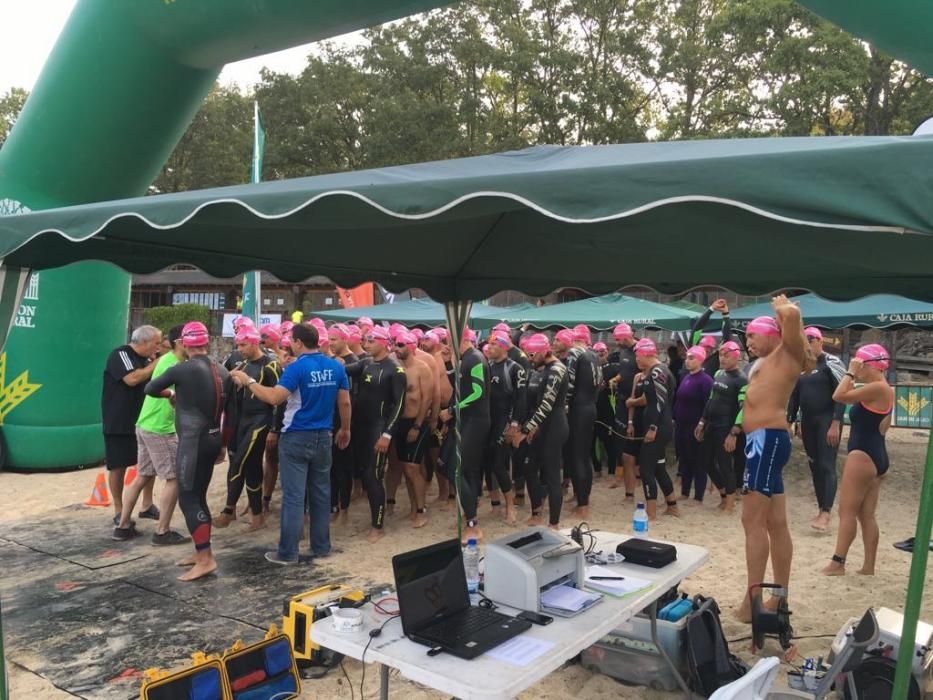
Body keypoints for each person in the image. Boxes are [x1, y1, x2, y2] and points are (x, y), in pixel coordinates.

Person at [230, 323, 350, 565]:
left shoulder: (297, 368)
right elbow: (345, 402)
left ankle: (287, 552)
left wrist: (249, 381)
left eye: (292, 342)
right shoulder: (335, 366)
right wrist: (345, 428)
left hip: (296, 435)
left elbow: (275, 398)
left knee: (294, 497)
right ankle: (321, 547)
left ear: (298, 342)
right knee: (321, 493)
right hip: (324, 435)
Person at [737, 299, 812, 622]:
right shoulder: (768, 362)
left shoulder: (787, 354)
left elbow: (794, 323)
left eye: (753, 335)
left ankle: (752, 600)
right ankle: (777, 597)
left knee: (751, 521)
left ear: (773, 334)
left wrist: (786, 309)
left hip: (766, 442)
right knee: (775, 523)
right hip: (762, 443)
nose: (748, 342)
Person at [145, 322, 231, 581]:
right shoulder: (224, 371)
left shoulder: (181, 370)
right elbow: (232, 415)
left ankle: (205, 559)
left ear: (184, 343)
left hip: (193, 442)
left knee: (189, 499)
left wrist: (171, 393)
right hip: (214, 439)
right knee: (199, 496)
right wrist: (224, 445)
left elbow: (149, 388)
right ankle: (200, 551)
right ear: (206, 342)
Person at [113, 325, 189, 545]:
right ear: (179, 342)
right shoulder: (173, 363)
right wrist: (174, 395)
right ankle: (162, 532)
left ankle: (123, 526)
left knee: (143, 475)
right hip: (159, 428)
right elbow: (162, 390)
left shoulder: (167, 361)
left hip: (145, 424)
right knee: (174, 478)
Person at [822, 344, 894, 576]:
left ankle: (838, 563)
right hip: (876, 453)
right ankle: (868, 567)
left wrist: (850, 372)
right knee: (866, 515)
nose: (856, 366)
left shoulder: (877, 388)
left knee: (847, 512)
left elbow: (838, 396)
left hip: (862, 455)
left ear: (869, 365)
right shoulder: (884, 389)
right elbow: (883, 426)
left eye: (859, 362)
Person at [343, 326, 406, 543]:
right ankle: (375, 518)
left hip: (378, 429)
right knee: (362, 472)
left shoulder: (395, 370)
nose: (366, 345)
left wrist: (387, 435)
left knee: (373, 476)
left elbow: (399, 405)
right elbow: (343, 369)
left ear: (383, 342)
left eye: (370, 341)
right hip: (361, 427)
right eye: (365, 340)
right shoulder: (367, 363)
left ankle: (377, 526)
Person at [214, 325, 280, 531]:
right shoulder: (242, 365)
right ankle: (257, 517)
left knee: (238, 464)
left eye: (243, 345)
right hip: (241, 421)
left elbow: (280, 398)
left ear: (254, 342)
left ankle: (228, 511)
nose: (239, 349)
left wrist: (274, 429)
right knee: (250, 468)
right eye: (238, 345)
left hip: (261, 421)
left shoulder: (271, 365)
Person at [787, 327, 846, 531]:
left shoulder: (832, 363)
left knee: (826, 464)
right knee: (814, 466)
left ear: (821, 341)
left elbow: (842, 394)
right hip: (809, 422)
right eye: (805, 340)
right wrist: (791, 421)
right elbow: (795, 397)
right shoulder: (803, 366)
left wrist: (836, 423)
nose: (808, 343)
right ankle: (821, 508)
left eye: (811, 340)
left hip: (827, 420)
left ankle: (826, 512)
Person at [102, 325, 161, 525]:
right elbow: (132, 379)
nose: (158, 348)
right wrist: (155, 364)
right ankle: (119, 509)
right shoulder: (121, 354)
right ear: (144, 342)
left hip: (143, 420)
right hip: (118, 421)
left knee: (148, 464)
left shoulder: (147, 359)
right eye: (156, 343)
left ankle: (147, 504)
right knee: (118, 466)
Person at [438, 328, 491, 543]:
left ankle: (473, 524)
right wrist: (448, 364)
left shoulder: (476, 358)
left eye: (447, 339)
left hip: (476, 422)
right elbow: (459, 386)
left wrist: (451, 410)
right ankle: (469, 511)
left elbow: (478, 393)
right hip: (467, 421)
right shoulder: (464, 359)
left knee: (456, 470)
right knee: (464, 470)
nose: (445, 343)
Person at [512, 333, 569, 529]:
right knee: (529, 467)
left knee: (552, 475)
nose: (530, 359)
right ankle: (537, 512)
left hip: (554, 426)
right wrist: (533, 427)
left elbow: (546, 404)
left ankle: (554, 523)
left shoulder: (557, 370)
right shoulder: (545, 368)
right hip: (542, 425)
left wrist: (526, 428)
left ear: (544, 352)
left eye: (533, 355)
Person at [627, 338, 678, 520]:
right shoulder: (654, 371)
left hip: (658, 426)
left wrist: (653, 427)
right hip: (658, 424)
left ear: (647, 354)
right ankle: (672, 506)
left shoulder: (658, 372)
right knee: (658, 467)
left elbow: (661, 401)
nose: (637, 360)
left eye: (638, 356)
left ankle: (651, 513)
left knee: (646, 469)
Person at [388, 330, 434, 528]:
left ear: (411, 346)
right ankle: (414, 506)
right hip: (400, 423)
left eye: (400, 345)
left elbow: (427, 399)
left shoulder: (422, 369)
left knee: (412, 467)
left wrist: (418, 425)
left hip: (417, 422)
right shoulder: (396, 368)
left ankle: (422, 510)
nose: (396, 348)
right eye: (395, 344)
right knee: (406, 468)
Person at [696, 340, 748, 513]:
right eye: (720, 355)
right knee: (706, 461)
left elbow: (744, 408)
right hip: (711, 423)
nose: (722, 359)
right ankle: (724, 495)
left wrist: (734, 432)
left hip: (726, 427)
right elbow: (711, 399)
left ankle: (731, 504)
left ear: (736, 357)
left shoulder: (741, 379)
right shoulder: (718, 373)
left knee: (725, 464)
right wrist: (702, 421)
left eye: (727, 356)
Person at [484, 331, 527, 525]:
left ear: (503, 346)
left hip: (505, 421)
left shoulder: (514, 368)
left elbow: (521, 399)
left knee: (499, 465)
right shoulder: (487, 367)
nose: (489, 348)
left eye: (493, 344)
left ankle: (510, 506)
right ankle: (495, 504)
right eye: (488, 344)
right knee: (486, 463)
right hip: (487, 421)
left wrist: (515, 424)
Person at [561, 325, 601, 519]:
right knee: (584, 455)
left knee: (577, 456)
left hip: (577, 408)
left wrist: (565, 404)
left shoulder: (575, 353)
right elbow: (599, 383)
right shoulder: (594, 355)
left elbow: (569, 382)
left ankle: (583, 506)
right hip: (590, 406)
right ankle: (582, 498)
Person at [673, 346, 713, 503]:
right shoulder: (686, 377)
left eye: (691, 358)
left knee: (698, 461)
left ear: (701, 360)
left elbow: (708, 405)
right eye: (687, 358)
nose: (687, 361)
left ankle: (698, 496)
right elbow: (679, 400)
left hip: (695, 426)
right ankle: (684, 492)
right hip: (681, 425)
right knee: (685, 459)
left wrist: (703, 424)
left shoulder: (706, 380)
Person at [327, 324, 358, 521]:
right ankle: (333, 507)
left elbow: (351, 398)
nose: (330, 343)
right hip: (330, 420)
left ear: (345, 340)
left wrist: (344, 427)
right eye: (329, 339)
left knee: (343, 468)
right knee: (330, 468)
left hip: (344, 421)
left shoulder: (353, 362)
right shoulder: (331, 360)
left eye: (334, 340)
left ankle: (344, 508)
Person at [608, 323, 639, 497]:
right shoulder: (623, 352)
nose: (617, 343)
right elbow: (625, 372)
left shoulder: (640, 349)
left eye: (619, 340)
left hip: (635, 402)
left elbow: (642, 373)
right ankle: (621, 478)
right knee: (621, 439)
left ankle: (639, 475)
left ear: (627, 337)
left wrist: (635, 398)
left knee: (635, 438)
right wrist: (615, 379)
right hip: (622, 400)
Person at [689, 299, 733, 376]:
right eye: (705, 347)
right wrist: (711, 309)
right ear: (699, 345)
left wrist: (725, 314)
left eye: (710, 348)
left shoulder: (714, 359)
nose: (707, 349)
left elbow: (727, 340)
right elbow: (697, 329)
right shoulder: (693, 352)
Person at [592, 342, 616, 478]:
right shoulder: (591, 368)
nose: (600, 354)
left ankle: (612, 471)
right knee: (591, 442)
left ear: (608, 351)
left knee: (608, 442)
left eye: (602, 351)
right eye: (597, 351)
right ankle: (597, 470)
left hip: (607, 411)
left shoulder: (613, 369)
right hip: (592, 410)